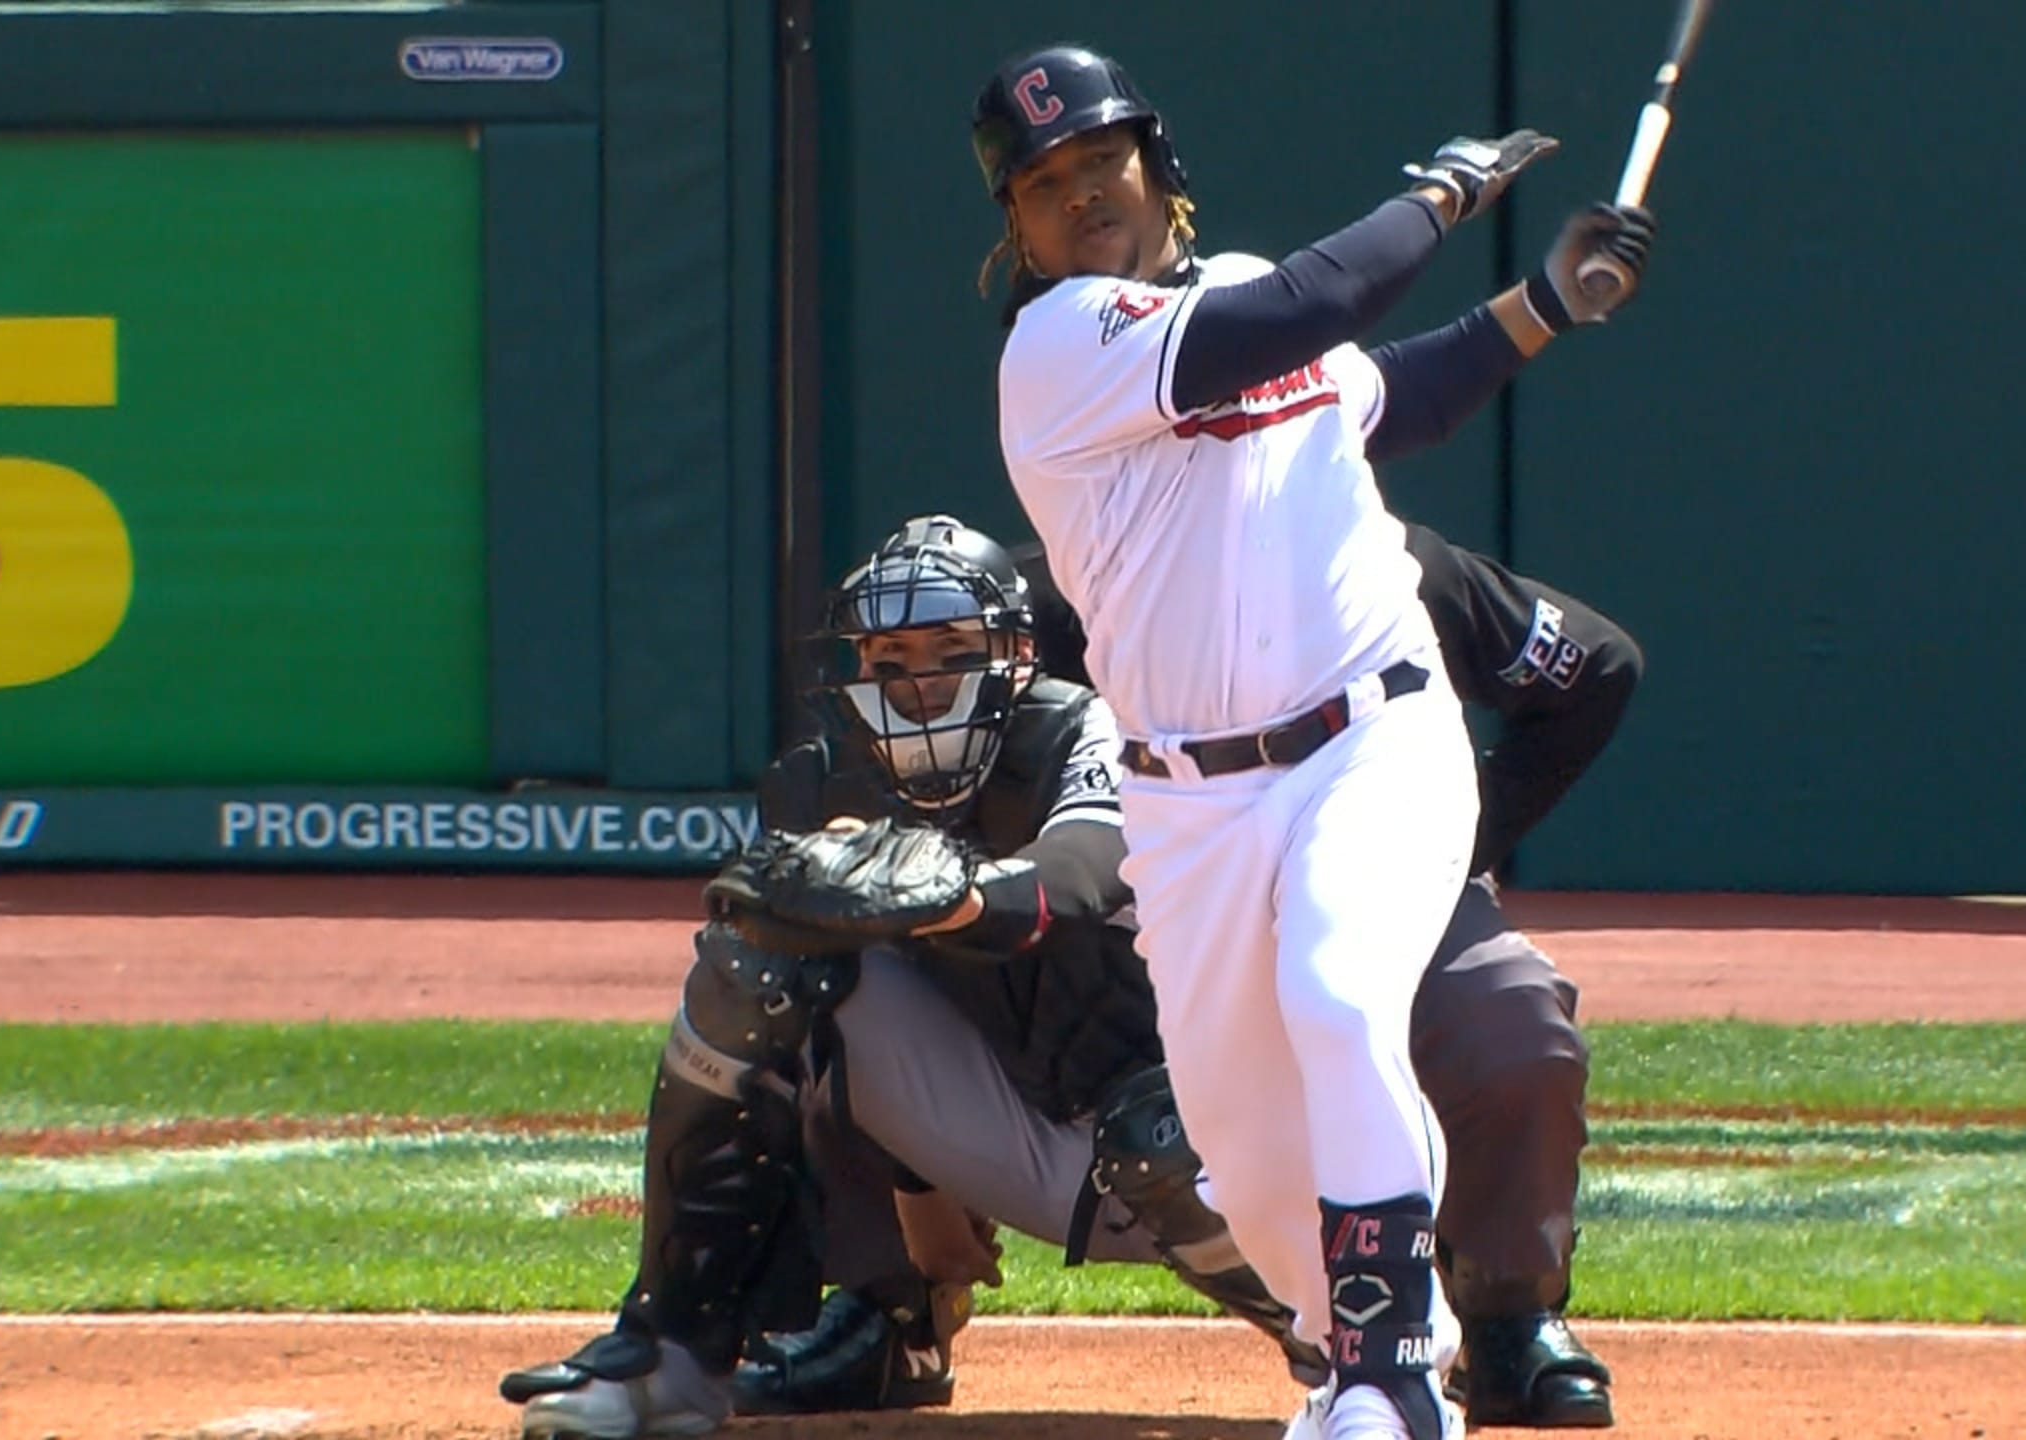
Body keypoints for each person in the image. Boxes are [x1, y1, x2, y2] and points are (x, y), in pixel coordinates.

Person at [498, 513, 1641, 1439]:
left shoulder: (1384, 564)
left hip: (1333, 873)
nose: (921, 685)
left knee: (1499, 1027)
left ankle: (1459, 1334)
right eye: (895, 666)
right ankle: (747, 1334)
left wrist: (1449, 841)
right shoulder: (1090, 568)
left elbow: (1597, 663)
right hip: (1073, 1051)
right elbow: (955, 632)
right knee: (778, 967)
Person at [976, 38, 1654, 1440]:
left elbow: (1385, 396)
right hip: (1192, 808)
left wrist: (1546, 303)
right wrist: (1444, 198)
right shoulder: (1055, 353)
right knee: (1256, 1175)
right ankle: (1366, 1342)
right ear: (1020, 232)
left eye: (1103, 158)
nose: (1082, 190)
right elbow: (1310, 309)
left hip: (1373, 737)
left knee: (1345, 998)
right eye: (1045, 182)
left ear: (1160, 172)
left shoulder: (1240, 297)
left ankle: (1391, 1386)